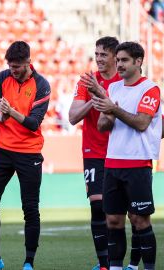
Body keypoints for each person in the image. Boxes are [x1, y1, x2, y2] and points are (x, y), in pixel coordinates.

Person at [93, 42, 161, 270]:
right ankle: (115, 267)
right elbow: (103, 126)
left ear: (138, 61)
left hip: (138, 163)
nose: (118, 64)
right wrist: (106, 112)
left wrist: (114, 110)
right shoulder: (114, 89)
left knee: (140, 220)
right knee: (113, 220)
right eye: (118, 60)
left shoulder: (150, 89)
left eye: (124, 60)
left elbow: (142, 123)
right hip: (112, 162)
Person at [0, 41, 50, 270]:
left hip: (29, 152)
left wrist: (10, 112)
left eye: (17, 66)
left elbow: (33, 123)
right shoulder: (3, 78)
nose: (13, 70)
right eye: (10, 66)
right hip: (1, 149)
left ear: (28, 62)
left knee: (30, 208)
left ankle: (28, 262)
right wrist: (0, 117)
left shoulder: (42, 85)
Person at [68, 36, 121, 270]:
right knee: (98, 205)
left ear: (114, 57)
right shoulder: (87, 81)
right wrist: (93, 97)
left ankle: (128, 263)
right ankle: (104, 264)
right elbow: (72, 117)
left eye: (103, 55)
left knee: (127, 212)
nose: (98, 59)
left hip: (121, 151)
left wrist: (101, 94)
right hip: (93, 151)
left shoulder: (124, 81)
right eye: (96, 54)